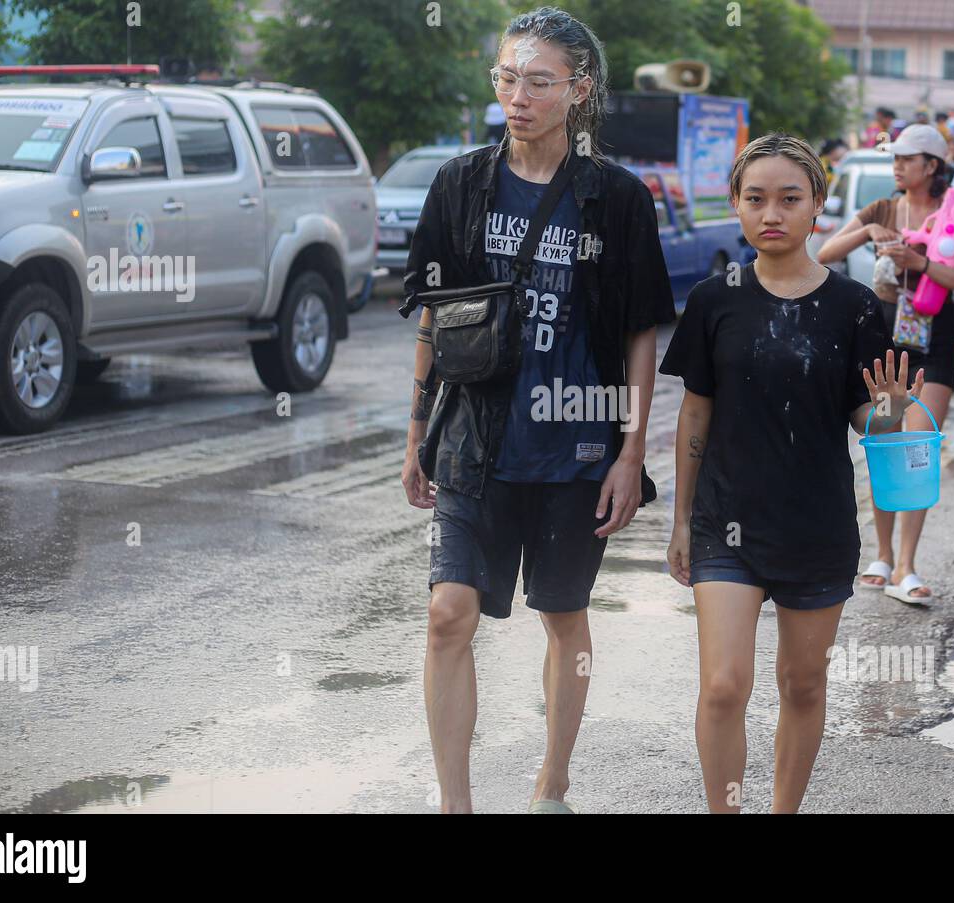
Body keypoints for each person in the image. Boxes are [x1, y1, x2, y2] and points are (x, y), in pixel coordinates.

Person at [399, 6, 675, 814]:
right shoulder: (461, 184)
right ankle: (456, 803)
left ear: (579, 90)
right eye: (507, 78)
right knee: (448, 613)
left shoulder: (616, 199)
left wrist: (630, 455)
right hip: (474, 440)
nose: (518, 96)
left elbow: (638, 334)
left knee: (562, 614)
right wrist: (417, 432)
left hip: (575, 449)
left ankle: (553, 778)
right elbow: (434, 314)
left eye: (539, 81)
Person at [661, 133, 906, 813]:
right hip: (724, 525)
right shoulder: (715, 299)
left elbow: (867, 423)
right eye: (756, 198)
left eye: (789, 199)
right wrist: (680, 522)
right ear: (737, 207)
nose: (772, 213)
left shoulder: (854, 307)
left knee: (803, 684)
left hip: (816, 525)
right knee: (722, 685)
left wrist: (890, 412)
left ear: (818, 206)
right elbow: (695, 417)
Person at [818, 124, 954, 604]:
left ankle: (908, 564)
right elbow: (825, 252)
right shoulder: (883, 209)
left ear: (932, 165)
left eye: (906, 158)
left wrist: (922, 262)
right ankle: (884, 554)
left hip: (933, 341)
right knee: (884, 443)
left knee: (918, 447)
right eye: (895, 158)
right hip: (883, 339)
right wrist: (869, 231)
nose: (897, 166)